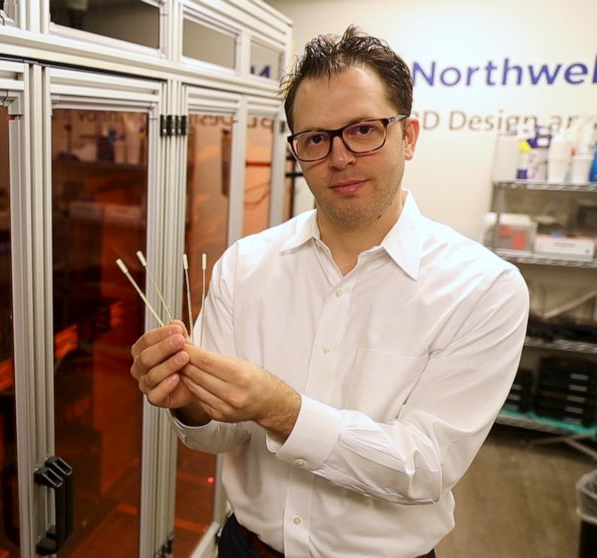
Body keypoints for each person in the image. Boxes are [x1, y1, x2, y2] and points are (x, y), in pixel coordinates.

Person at [130, 27, 529, 558]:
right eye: (315, 139)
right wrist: (192, 407)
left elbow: (426, 466)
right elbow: (221, 438)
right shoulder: (245, 266)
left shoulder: (483, 288)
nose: (339, 158)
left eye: (364, 130)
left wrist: (284, 410)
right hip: (246, 547)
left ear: (408, 136)